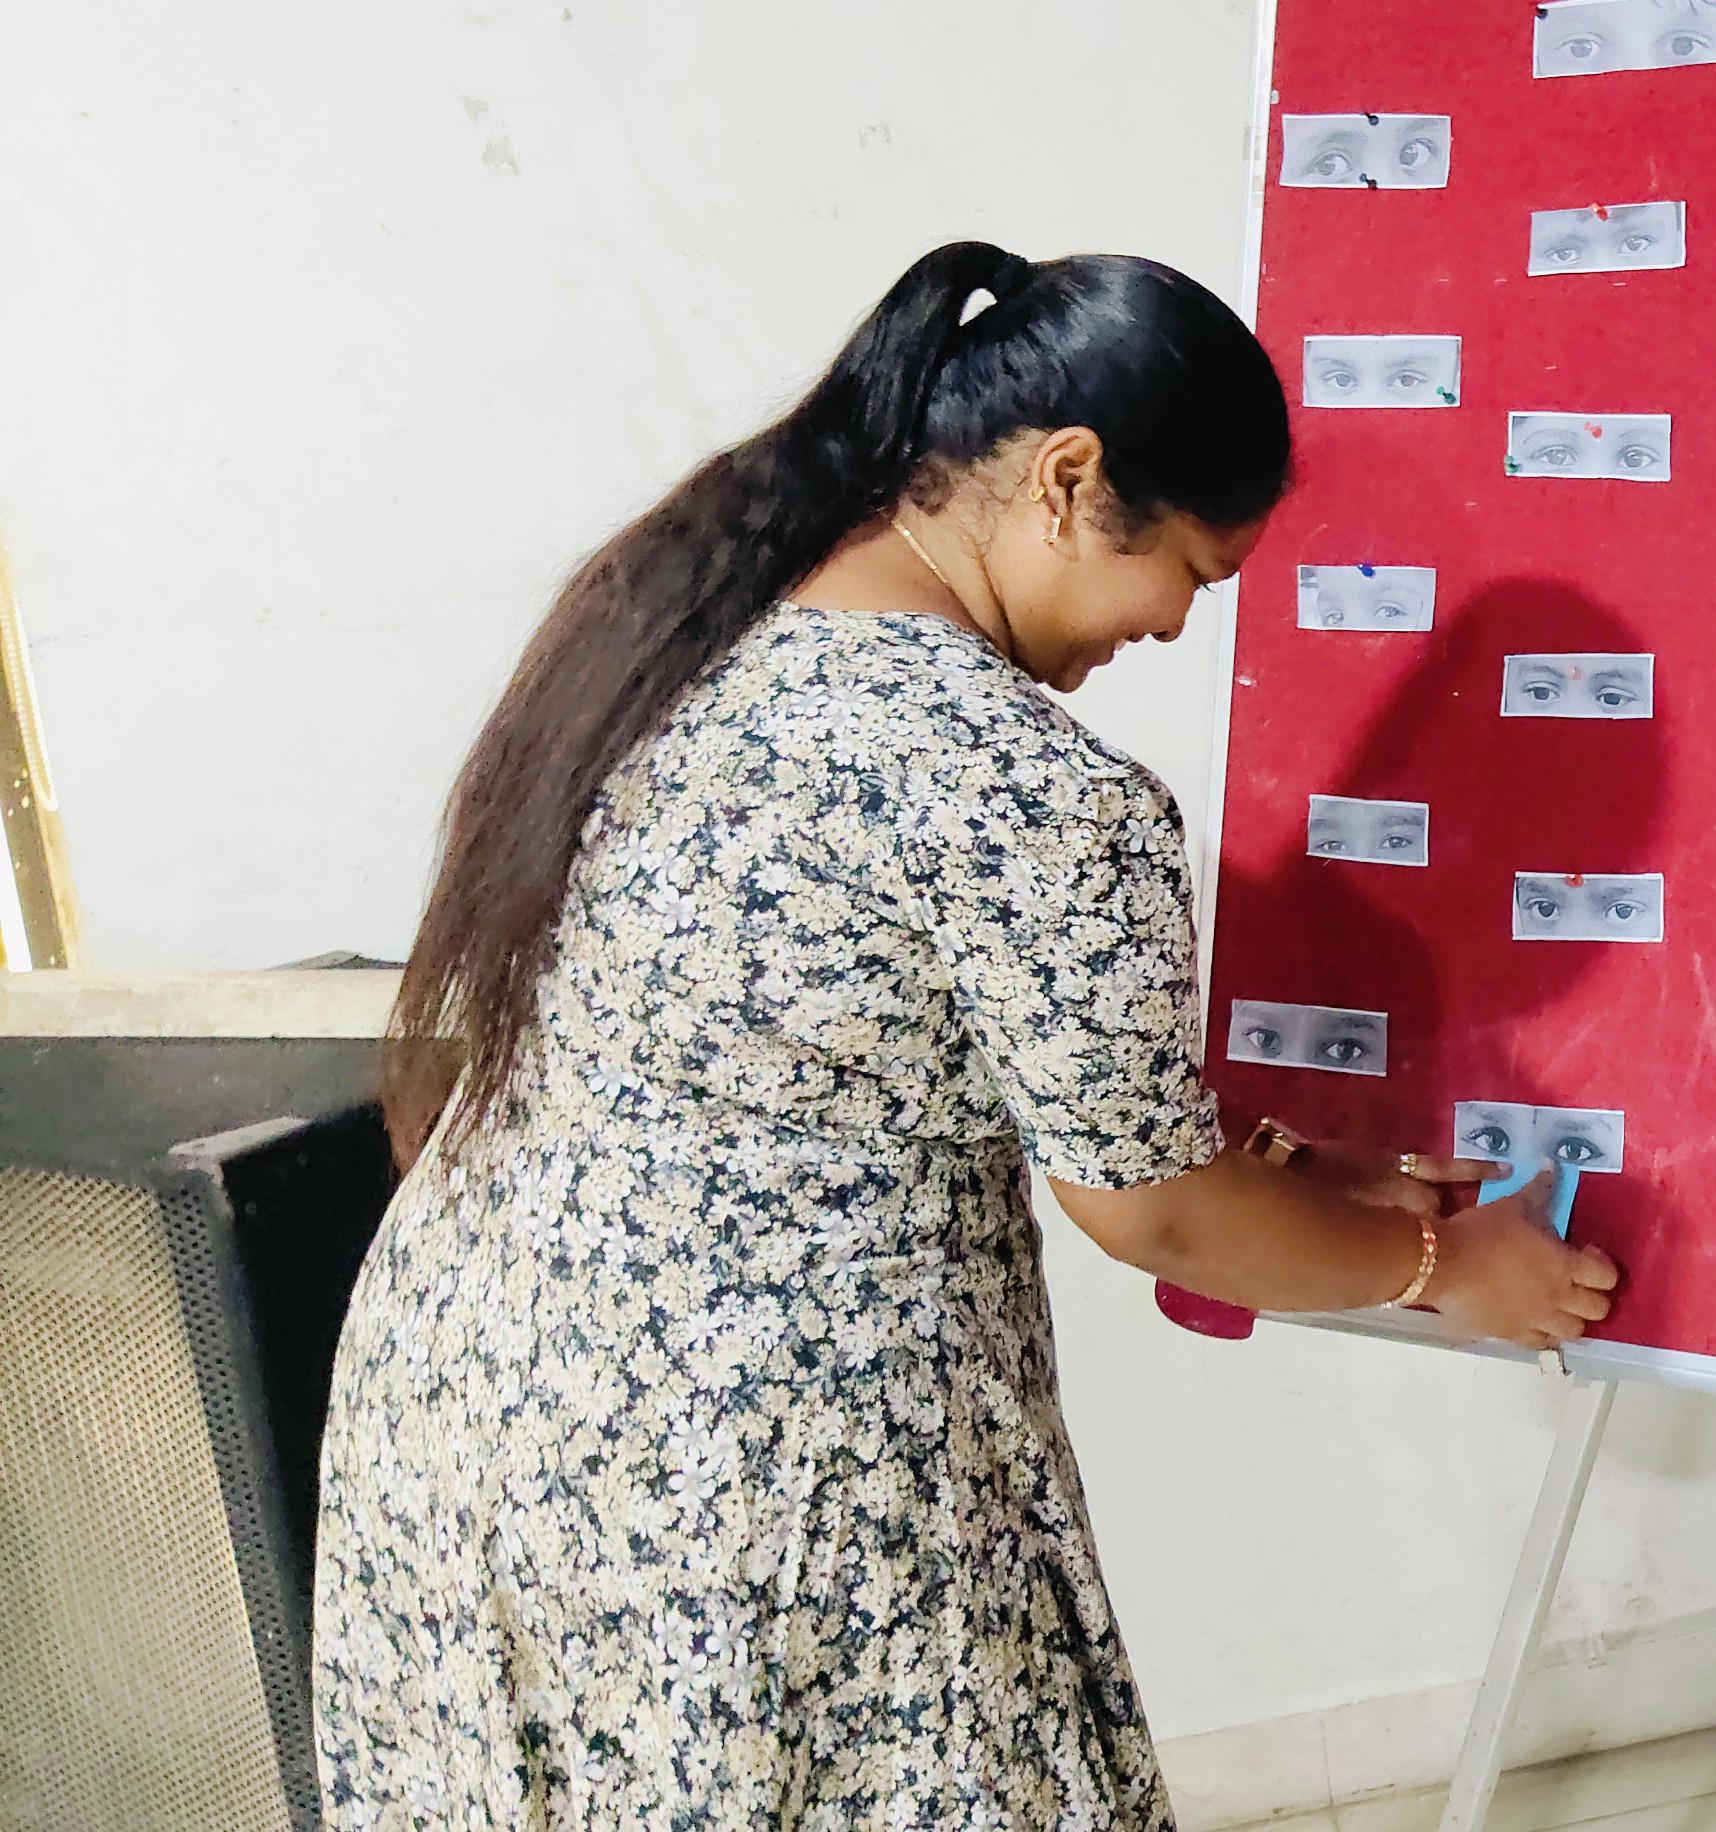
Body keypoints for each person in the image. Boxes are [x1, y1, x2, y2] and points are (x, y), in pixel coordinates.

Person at [316, 242, 1622, 1827]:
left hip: (468, 1413)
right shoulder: (1028, 785)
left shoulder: (682, 627)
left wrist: (1294, 1164)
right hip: (758, 1473)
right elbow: (1156, 1213)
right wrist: (1445, 1270)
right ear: (1069, 483)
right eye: (1191, 575)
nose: (1174, 628)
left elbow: (843, 1057)